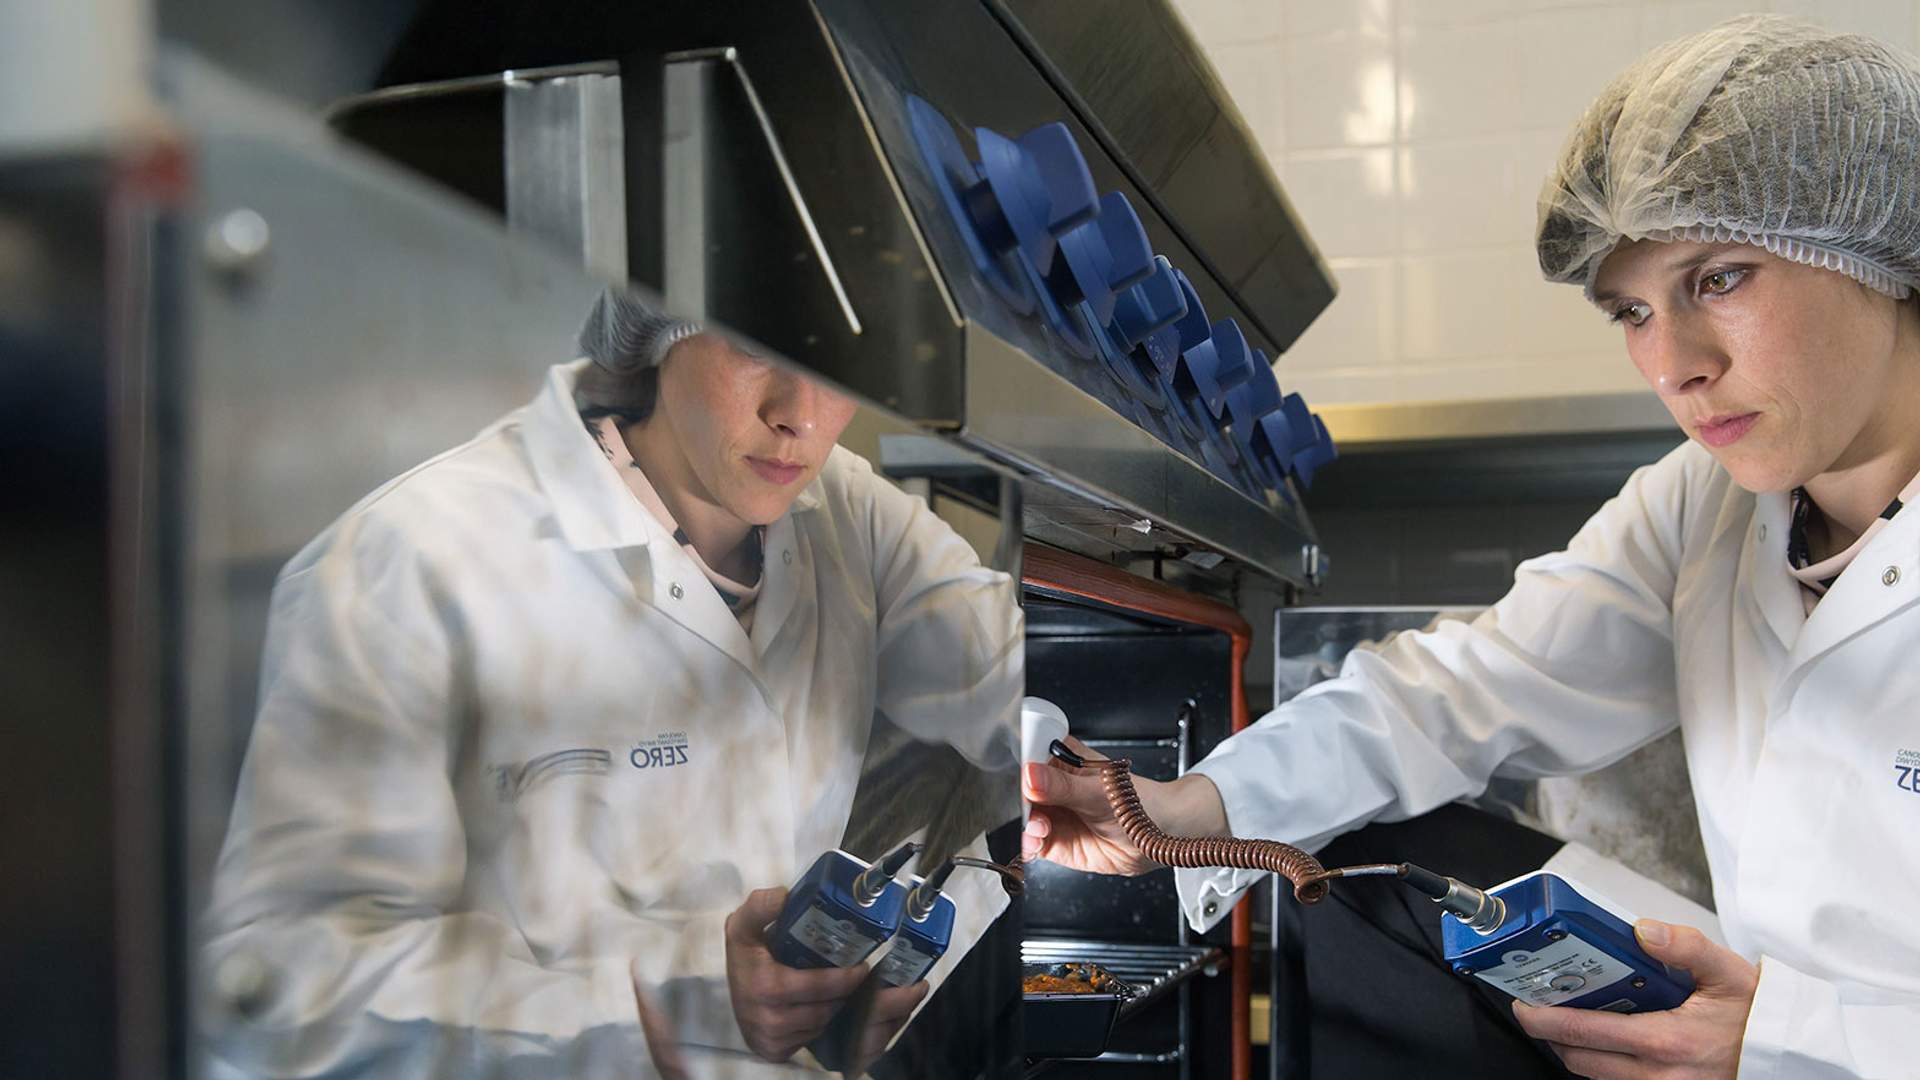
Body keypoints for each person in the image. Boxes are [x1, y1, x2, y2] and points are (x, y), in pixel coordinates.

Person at [1024, 16, 1920, 1080]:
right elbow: (1458, 693)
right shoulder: (1706, 508)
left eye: (1717, 278)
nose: (1673, 363)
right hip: (1740, 1028)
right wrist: (1188, 814)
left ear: (1881, 248)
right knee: (1365, 867)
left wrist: (1782, 1044)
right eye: (1631, 309)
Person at [201, 289, 1024, 1078]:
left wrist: (1135, 793)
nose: (799, 416)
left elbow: (1004, 671)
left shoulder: (845, 510)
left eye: (847, 363)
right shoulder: (413, 559)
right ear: (659, 324)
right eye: (755, 345)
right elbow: (282, 983)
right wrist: (669, 1005)